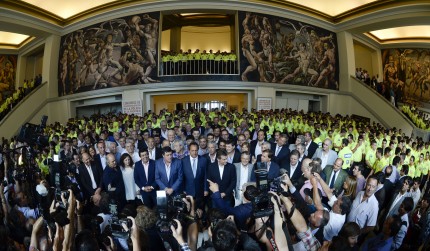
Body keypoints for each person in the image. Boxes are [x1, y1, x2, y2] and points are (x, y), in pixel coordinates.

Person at [182, 142, 208, 211]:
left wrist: (205, 189)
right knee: (188, 210)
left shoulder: (203, 160)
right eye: (192, 150)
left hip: (200, 191)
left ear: (198, 150)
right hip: (188, 191)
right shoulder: (183, 161)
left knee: (200, 211)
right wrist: (183, 189)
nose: (194, 152)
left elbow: (205, 175)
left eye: (196, 150)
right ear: (189, 151)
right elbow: (182, 177)